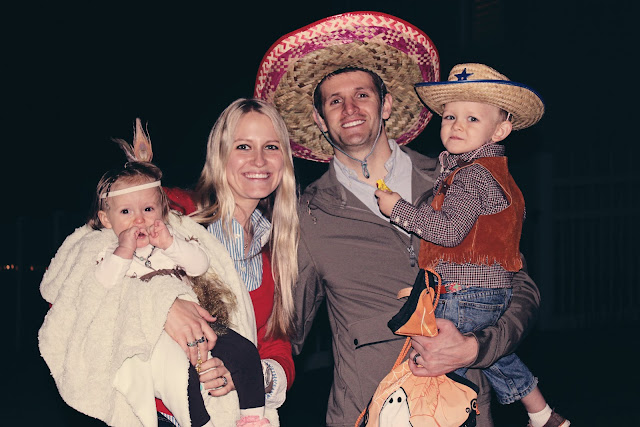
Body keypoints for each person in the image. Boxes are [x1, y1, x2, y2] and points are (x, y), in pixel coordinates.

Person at [255, 12, 542, 426]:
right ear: (320, 120)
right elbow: (282, 329)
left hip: (464, 411)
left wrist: (477, 348)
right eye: (334, 101)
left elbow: (520, 286)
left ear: (386, 104)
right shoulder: (306, 216)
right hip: (367, 413)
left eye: (362, 95)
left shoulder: (461, 177)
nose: (349, 108)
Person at [375, 63, 568, 427]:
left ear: (500, 130)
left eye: (472, 119)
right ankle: (542, 414)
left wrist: (397, 208)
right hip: (489, 292)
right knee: (494, 358)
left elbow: (449, 232)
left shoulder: (471, 176)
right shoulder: (491, 173)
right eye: (450, 116)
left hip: (464, 293)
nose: (457, 126)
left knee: (438, 367)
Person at [38, 132, 264, 426]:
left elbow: (200, 265)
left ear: (162, 211)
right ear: (106, 220)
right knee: (184, 383)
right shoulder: (106, 251)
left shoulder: (169, 241)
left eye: (148, 209)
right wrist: (124, 251)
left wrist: (170, 243)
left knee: (244, 351)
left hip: (199, 324)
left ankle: (253, 418)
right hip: (154, 340)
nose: (139, 219)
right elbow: (102, 286)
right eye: (126, 212)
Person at [162, 98, 298, 425]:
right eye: (243, 146)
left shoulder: (275, 250)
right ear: (220, 154)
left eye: (271, 147)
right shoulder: (173, 211)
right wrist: (164, 307)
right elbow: (89, 264)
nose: (259, 160)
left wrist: (249, 374)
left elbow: (277, 345)